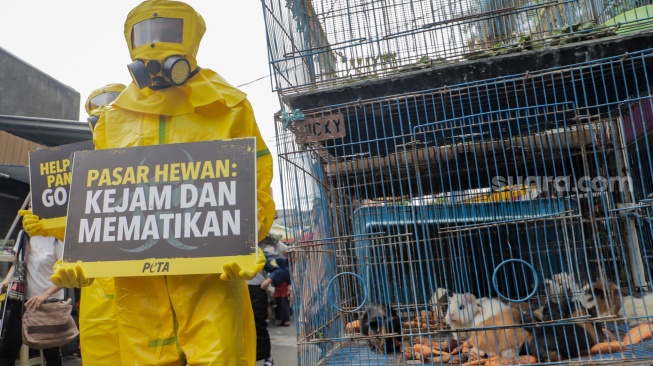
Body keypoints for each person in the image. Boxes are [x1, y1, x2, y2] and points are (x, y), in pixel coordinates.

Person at [47, 1, 276, 364]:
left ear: (192, 36)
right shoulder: (114, 119)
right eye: (146, 35)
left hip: (209, 279)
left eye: (168, 33)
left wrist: (248, 239)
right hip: (137, 289)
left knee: (218, 356)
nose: (155, 45)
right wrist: (83, 257)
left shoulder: (229, 107)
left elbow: (257, 186)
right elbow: (103, 201)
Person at [79, 83, 126, 365]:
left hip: (143, 285)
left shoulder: (155, 158)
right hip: (98, 290)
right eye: (97, 115)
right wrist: (52, 227)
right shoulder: (88, 172)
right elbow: (84, 224)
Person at [0, 209, 64, 366]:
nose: (30, 209)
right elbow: (17, 264)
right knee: (8, 350)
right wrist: (5, 282)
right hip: (23, 300)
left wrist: (44, 295)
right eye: (29, 206)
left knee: (51, 354)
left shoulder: (57, 235)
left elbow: (64, 274)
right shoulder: (24, 233)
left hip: (48, 303)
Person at [248, 242, 281, 366]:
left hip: (256, 291)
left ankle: (266, 357)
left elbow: (277, 270)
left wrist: (265, 283)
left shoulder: (259, 252)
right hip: (237, 293)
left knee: (258, 324)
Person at [270, 256, 292, 326]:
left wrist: (289, 290)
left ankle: (286, 320)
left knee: (284, 305)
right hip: (277, 289)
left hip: (284, 289)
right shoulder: (276, 271)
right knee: (279, 305)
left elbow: (289, 282)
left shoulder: (286, 271)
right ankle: (281, 320)